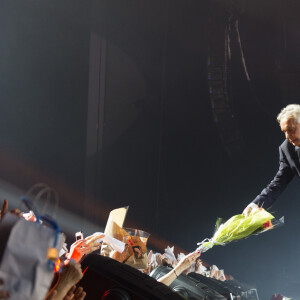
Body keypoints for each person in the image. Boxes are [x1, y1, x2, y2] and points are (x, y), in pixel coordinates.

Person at [243, 104, 300, 216]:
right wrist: (255, 205)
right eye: (284, 131)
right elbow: (278, 183)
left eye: (291, 129)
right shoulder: (287, 149)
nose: (288, 136)